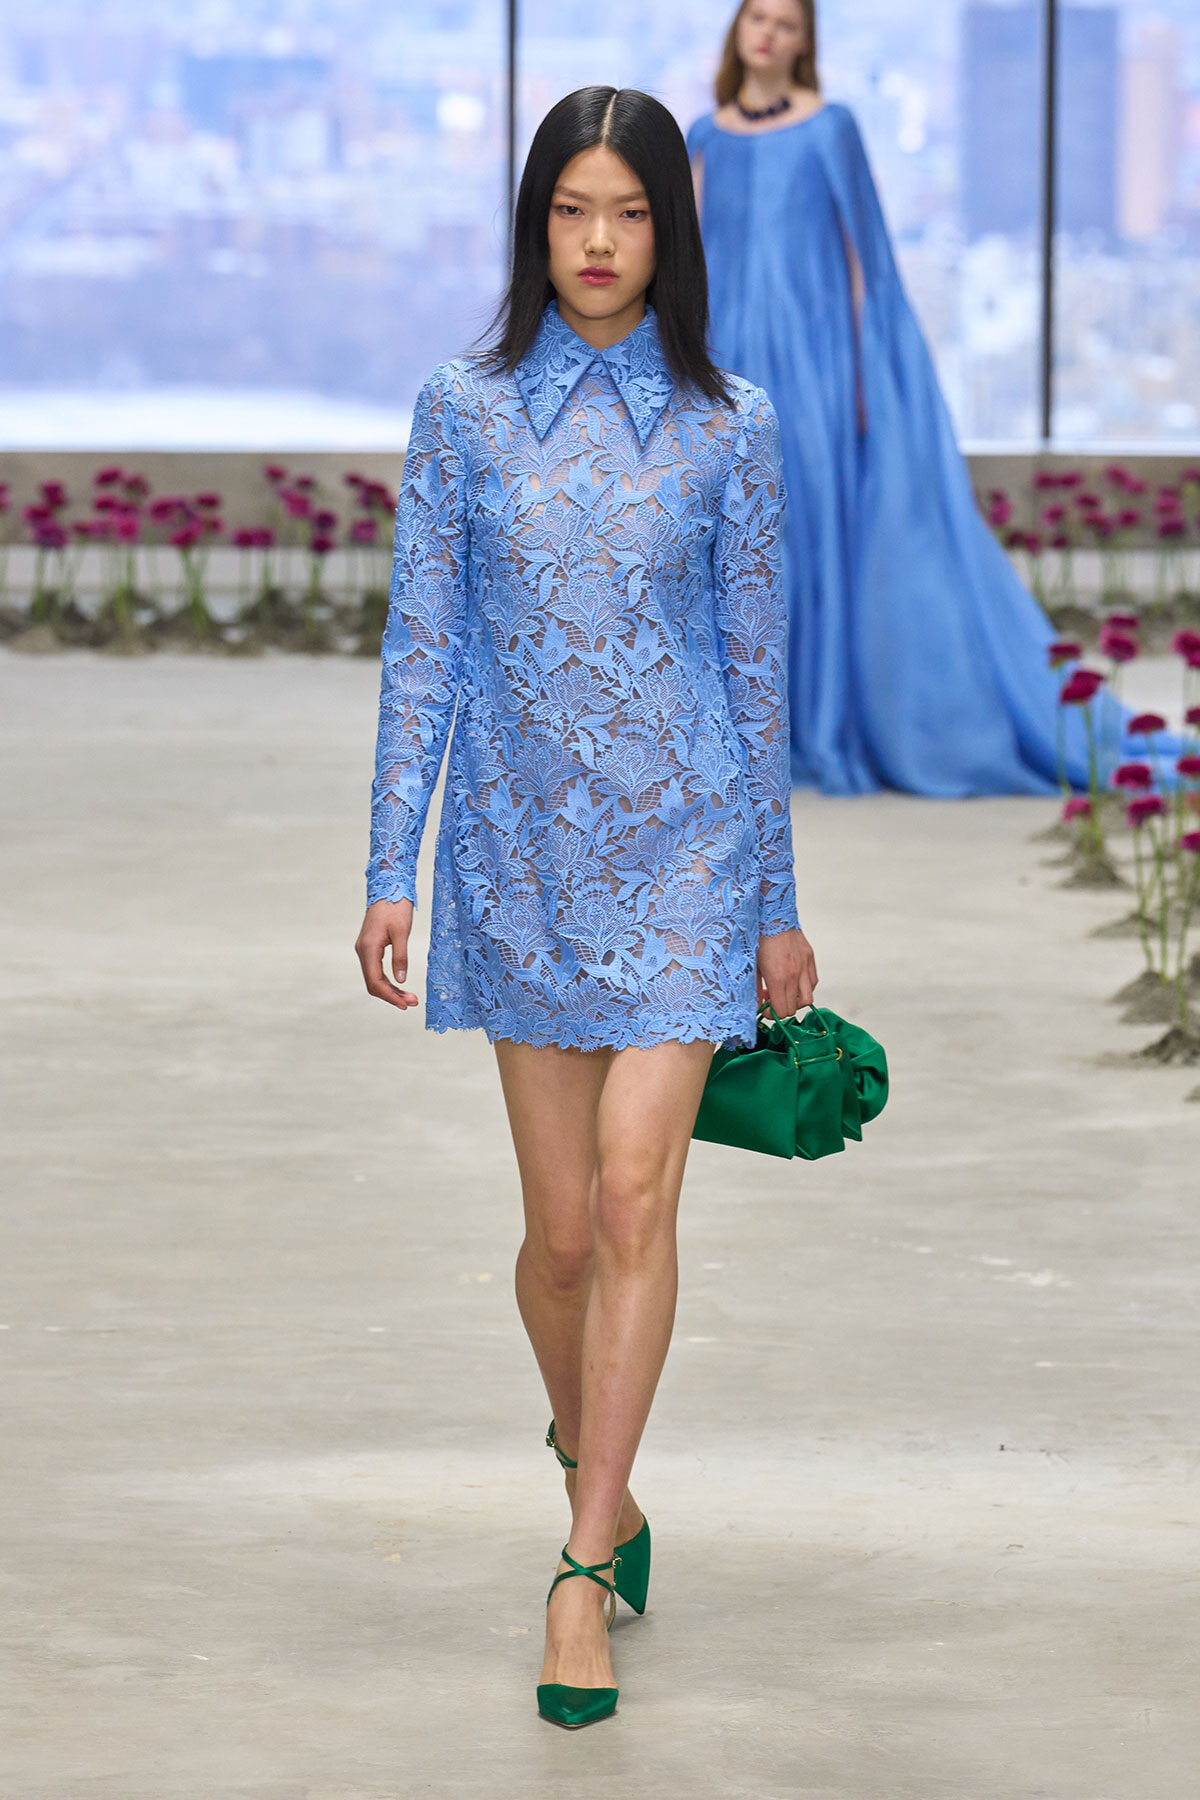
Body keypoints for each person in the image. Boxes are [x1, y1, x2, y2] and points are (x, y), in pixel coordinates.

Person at [354, 85, 817, 1729]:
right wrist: (384, 866)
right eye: (572, 212)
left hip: (687, 854)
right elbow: (423, 648)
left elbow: (757, 679)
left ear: (667, 231)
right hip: (515, 858)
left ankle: (576, 1567)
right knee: (558, 1241)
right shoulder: (464, 412)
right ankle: (601, 1470)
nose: (601, 243)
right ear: (535, 224)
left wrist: (773, 902)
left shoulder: (733, 425)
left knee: (634, 1204)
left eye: (628, 213)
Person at [687, 0, 1152, 796]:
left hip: (817, 365)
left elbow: (865, 261)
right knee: (737, 538)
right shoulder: (703, 137)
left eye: (786, 23)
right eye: (756, 15)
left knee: (811, 530)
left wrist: (869, 379)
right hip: (728, 358)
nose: (767, 32)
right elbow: (687, 255)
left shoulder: (832, 127)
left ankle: (818, 721)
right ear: (737, 28)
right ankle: (739, 727)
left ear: (805, 42)